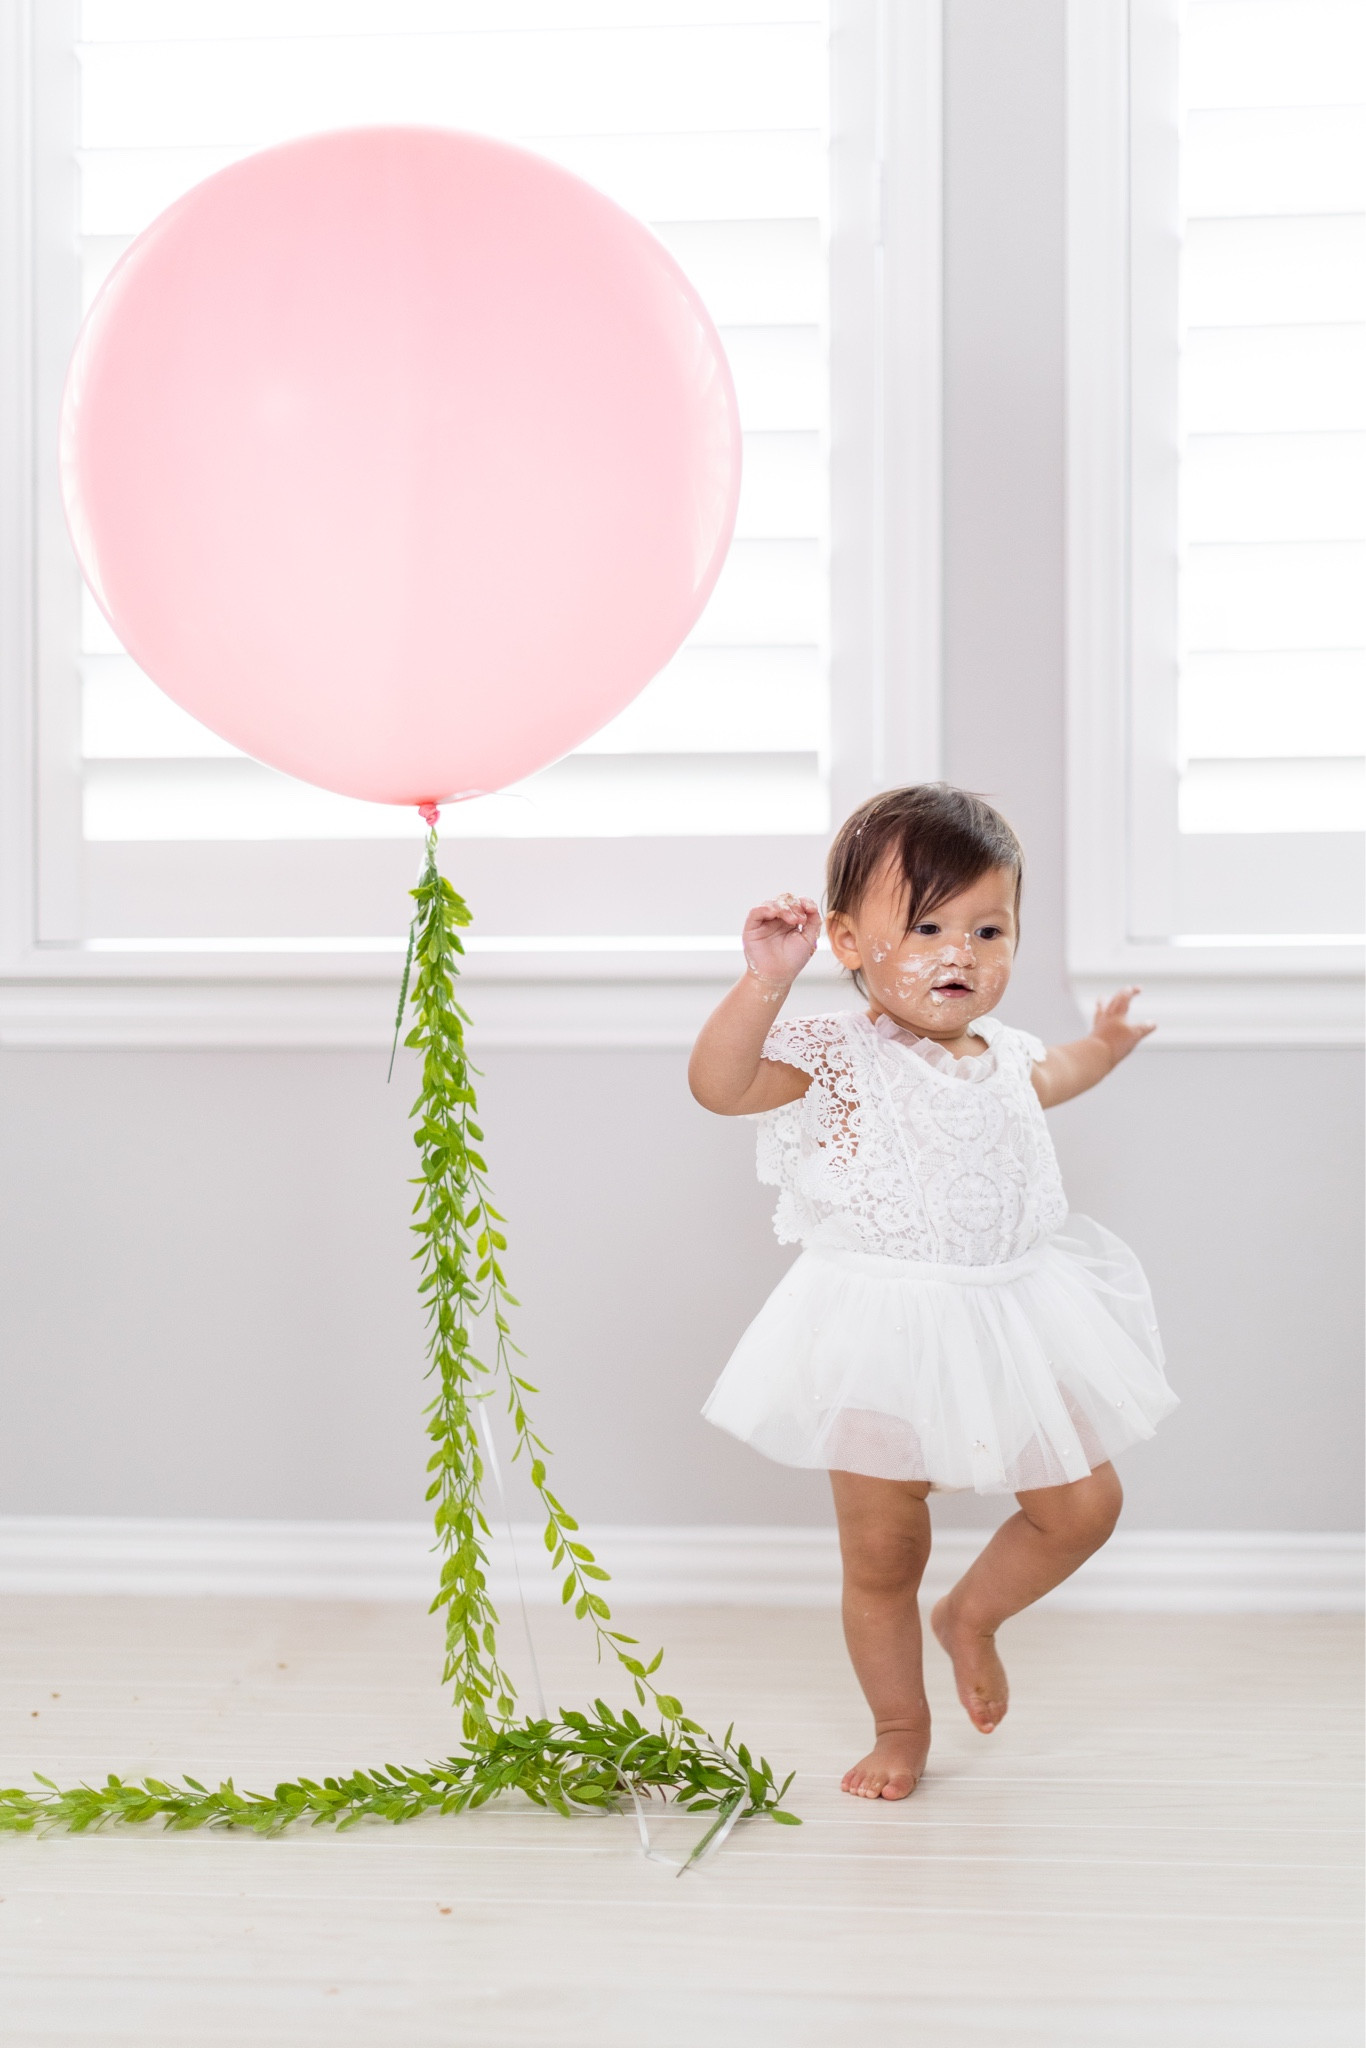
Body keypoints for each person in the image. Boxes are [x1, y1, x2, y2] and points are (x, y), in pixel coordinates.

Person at [689, 784, 1178, 1801]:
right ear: (847, 939)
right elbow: (721, 1084)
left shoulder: (1000, 1055)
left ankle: (973, 1615)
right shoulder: (840, 1056)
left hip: (1011, 1312)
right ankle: (900, 1723)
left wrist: (1109, 1048)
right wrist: (760, 985)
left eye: (986, 927)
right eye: (925, 924)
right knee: (881, 1548)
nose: (958, 950)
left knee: (1083, 1503)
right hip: (880, 1325)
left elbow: (1058, 1075)